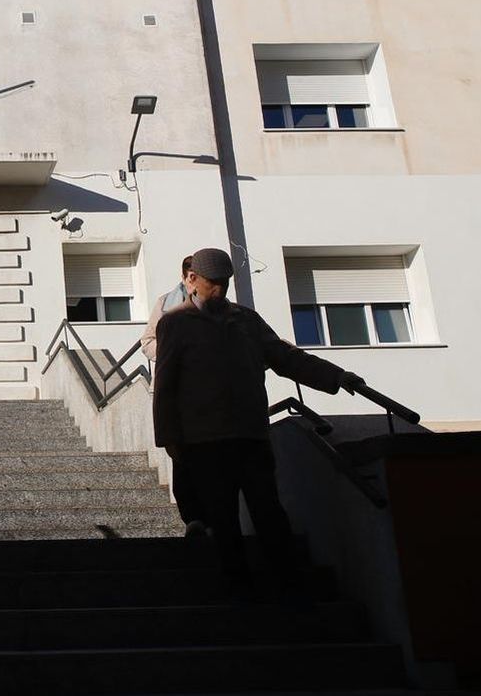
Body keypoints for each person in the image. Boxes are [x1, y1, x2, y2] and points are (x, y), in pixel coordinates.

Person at [152, 247, 364, 595]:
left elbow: (287, 357)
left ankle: (289, 587)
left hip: (250, 435)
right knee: (222, 518)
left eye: (224, 282)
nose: (219, 289)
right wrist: (170, 440)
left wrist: (337, 376)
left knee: (269, 511)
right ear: (192, 279)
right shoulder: (174, 323)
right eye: (212, 282)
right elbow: (165, 386)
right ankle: (240, 590)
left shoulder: (247, 321)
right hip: (205, 441)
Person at [139, 255, 207, 536]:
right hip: (176, 390)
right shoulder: (166, 305)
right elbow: (147, 342)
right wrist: (172, 353)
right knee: (181, 457)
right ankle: (193, 519)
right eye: (193, 277)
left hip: (208, 393)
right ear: (186, 277)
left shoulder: (219, 308)